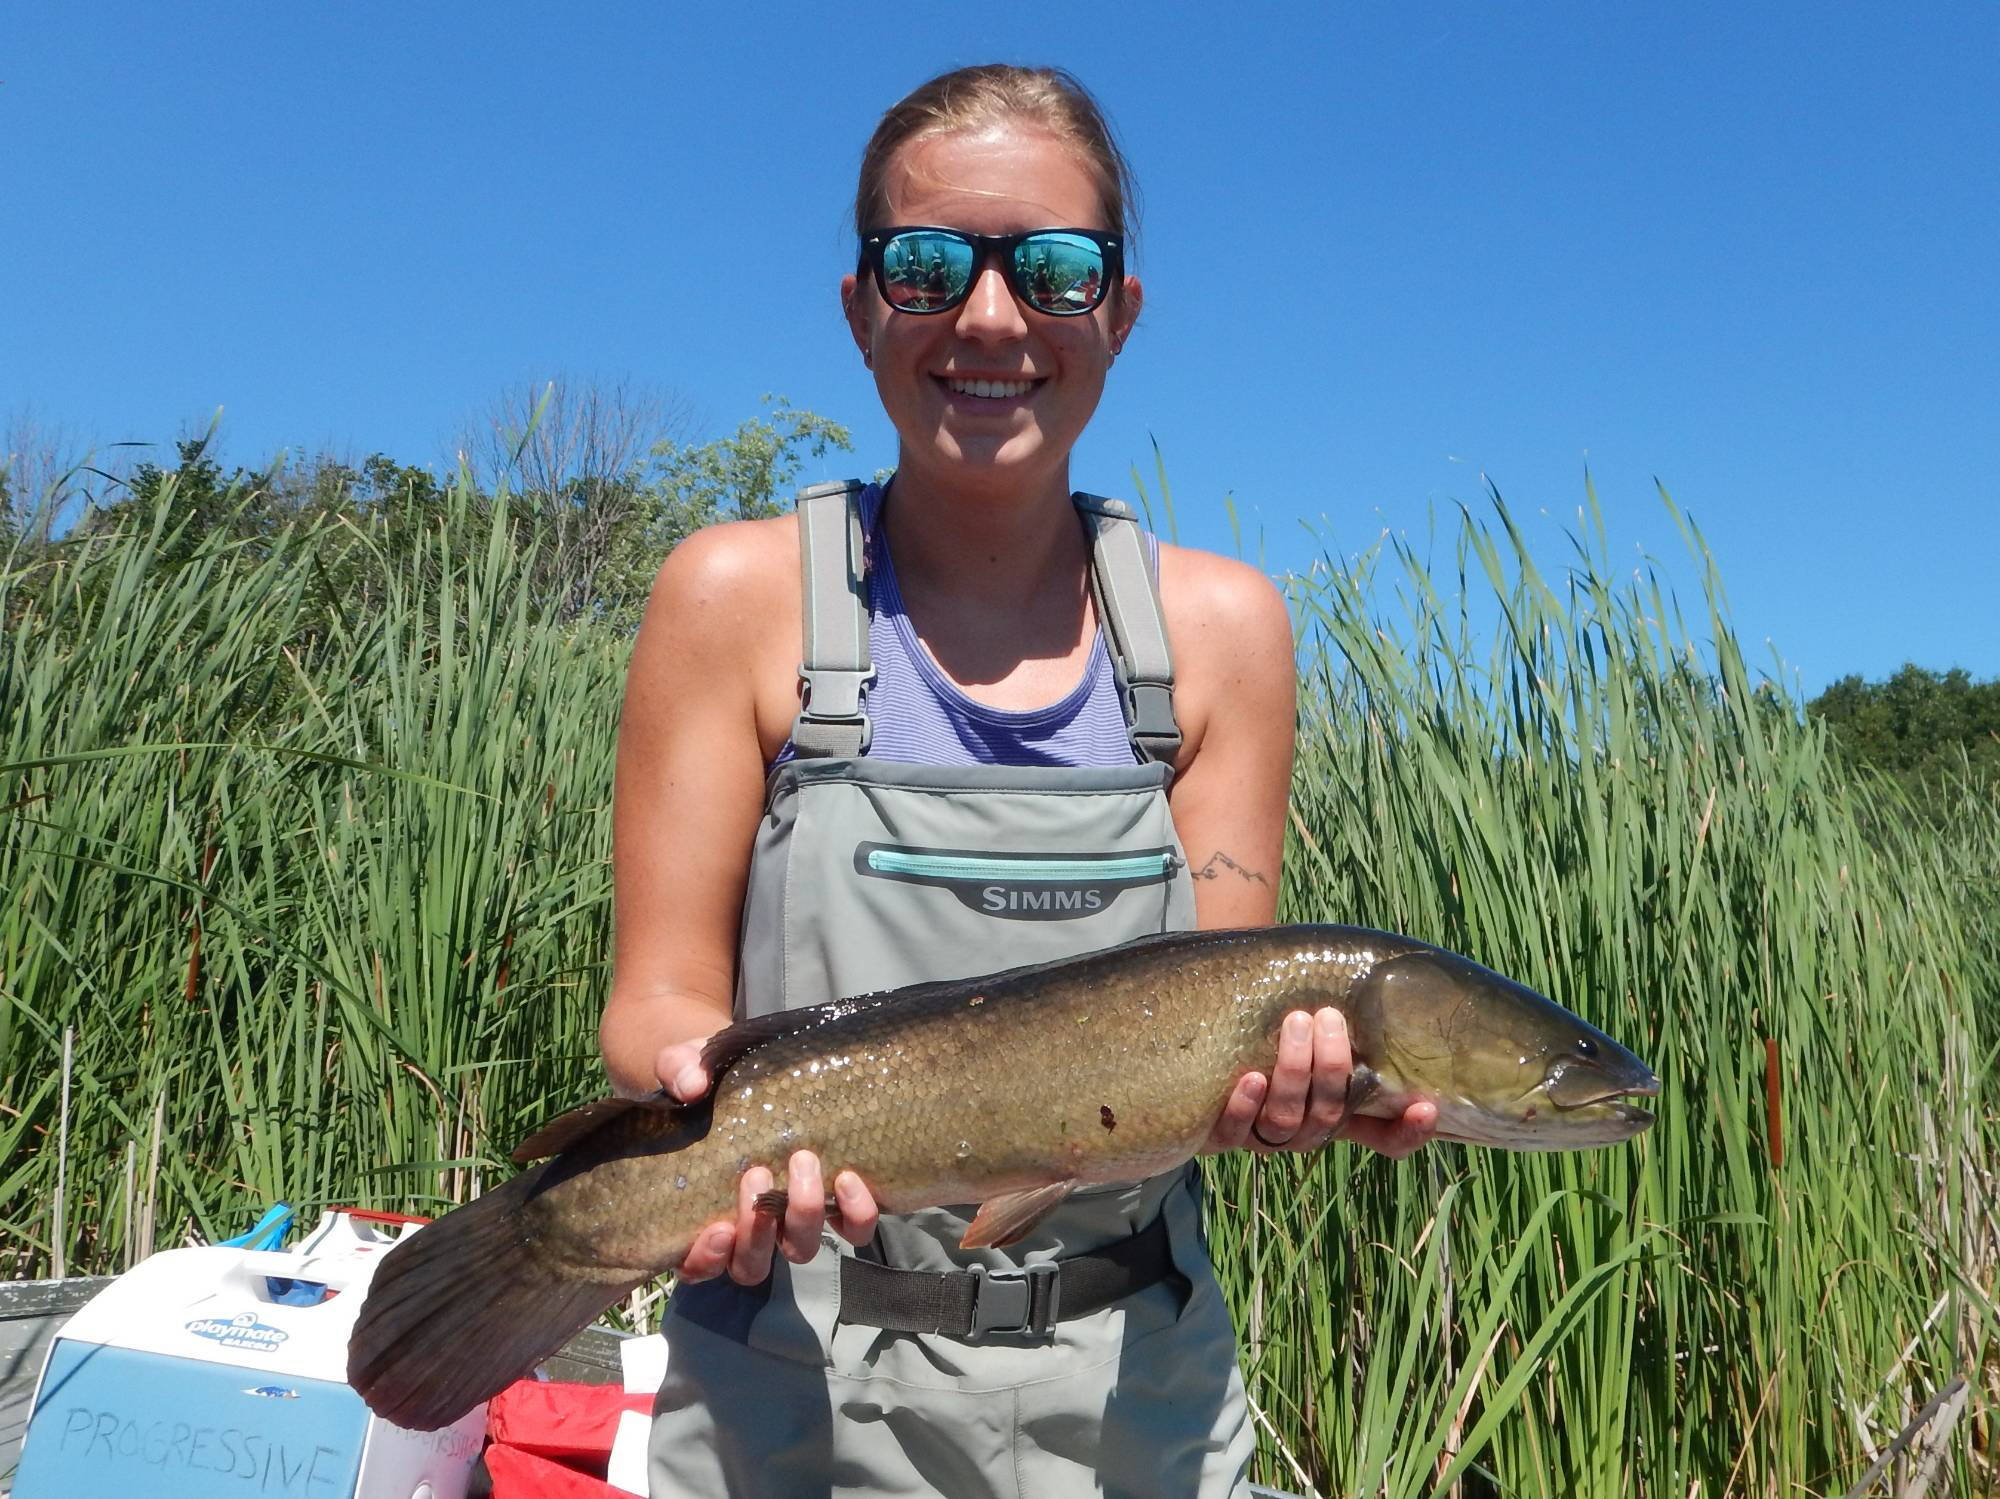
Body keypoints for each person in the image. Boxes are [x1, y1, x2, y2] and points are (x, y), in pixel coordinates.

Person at [598, 63, 1438, 1499]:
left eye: (1053, 267)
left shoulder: (1224, 636)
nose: (990, 317)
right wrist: (707, 1101)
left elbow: (1214, 1012)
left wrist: (1295, 1094)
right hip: (789, 1386)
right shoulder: (735, 599)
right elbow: (657, 1002)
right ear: (862, 309)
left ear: (1118, 309)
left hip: (1137, 1405)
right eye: (927, 267)